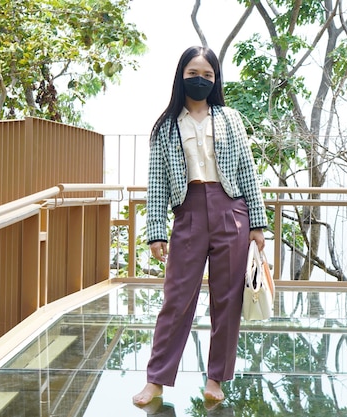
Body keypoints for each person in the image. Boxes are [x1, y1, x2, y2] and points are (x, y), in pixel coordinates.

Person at [132, 45, 267, 405]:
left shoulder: (231, 119)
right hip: (188, 214)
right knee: (176, 298)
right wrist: (156, 231)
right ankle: (156, 380)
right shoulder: (165, 127)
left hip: (231, 212)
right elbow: (157, 181)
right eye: (194, 73)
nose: (201, 80)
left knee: (226, 300)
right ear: (181, 76)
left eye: (208, 75)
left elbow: (247, 172)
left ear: (216, 79)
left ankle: (216, 378)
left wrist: (257, 223)